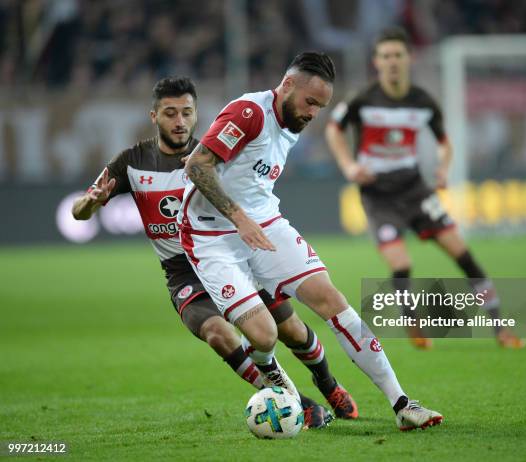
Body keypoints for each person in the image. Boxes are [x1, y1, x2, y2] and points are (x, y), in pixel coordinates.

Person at [71, 76, 358, 429]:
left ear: (196, 116)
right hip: (183, 273)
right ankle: (292, 400)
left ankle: (328, 384)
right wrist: (89, 203)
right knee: (219, 335)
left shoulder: (213, 155)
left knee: (292, 331)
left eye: (186, 113)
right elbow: (78, 213)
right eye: (170, 113)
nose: (179, 121)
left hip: (231, 257)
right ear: (153, 116)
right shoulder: (131, 161)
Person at [179, 53, 442, 431]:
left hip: (264, 222)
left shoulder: (291, 125)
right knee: (265, 335)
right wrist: (238, 219)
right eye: (310, 102)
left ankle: (402, 404)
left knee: (332, 300)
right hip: (210, 235)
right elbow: (197, 165)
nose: (313, 113)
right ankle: (282, 389)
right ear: (287, 86)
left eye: (321, 106)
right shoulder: (249, 114)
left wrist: (251, 220)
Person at [325, 27, 525, 349]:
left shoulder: (423, 102)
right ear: (376, 62)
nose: (392, 62)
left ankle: (500, 327)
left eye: (397, 55)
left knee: (463, 255)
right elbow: (334, 130)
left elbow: (445, 143)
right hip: (378, 195)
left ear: (409, 58)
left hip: (415, 189)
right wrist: (349, 166)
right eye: (386, 56)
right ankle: (412, 323)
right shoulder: (362, 99)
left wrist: (443, 169)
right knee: (400, 263)